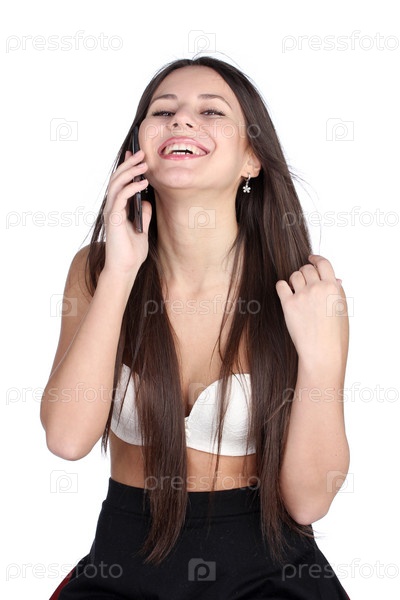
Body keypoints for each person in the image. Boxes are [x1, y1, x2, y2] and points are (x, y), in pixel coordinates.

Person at [41, 56, 351, 599]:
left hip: (270, 578)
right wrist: (120, 273)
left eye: (211, 111)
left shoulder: (304, 290)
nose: (182, 119)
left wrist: (322, 362)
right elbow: (67, 439)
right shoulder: (96, 270)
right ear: (138, 150)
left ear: (251, 159)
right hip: (122, 573)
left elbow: (308, 502)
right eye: (164, 111)